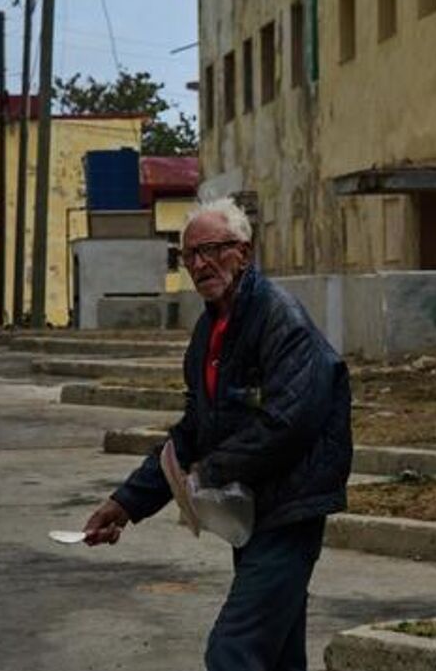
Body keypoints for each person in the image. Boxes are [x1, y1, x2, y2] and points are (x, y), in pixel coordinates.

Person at [81, 197, 353, 671]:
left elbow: (288, 422)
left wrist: (209, 471)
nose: (200, 264)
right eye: (189, 255)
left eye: (212, 249)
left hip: (289, 513)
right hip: (250, 512)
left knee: (233, 653)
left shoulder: (279, 319)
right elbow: (193, 431)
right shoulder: (210, 333)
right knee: (278, 657)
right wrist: (126, 502)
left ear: (243, 253)